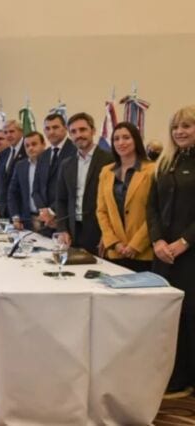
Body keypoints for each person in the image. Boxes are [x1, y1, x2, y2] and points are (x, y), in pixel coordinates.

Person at [147, 105, 195, 394]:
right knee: (169, 317)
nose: (179, 131)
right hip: (164, 254)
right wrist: (157, 241)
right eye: (175, 127)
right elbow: (151, 207)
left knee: (191, 316)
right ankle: (174, 376)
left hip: (190, 254)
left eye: (186, 126)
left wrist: (184, 242)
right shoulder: (165, 162)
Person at [95, 122, 153, 272]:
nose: (121, 142)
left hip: (143, 252)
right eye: (116, 139)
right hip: (116, 251)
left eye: (126, 137)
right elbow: (101, 211)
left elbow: (155, 213)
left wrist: (136, 244)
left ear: (136, 140)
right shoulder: (106, 172)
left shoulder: (152, 170)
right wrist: (113, 242)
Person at [54, 112, 114, 255]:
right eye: (73, 131)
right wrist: (62, 229)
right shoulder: (66, 164)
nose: (78, 135)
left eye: (82, 130)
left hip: (100, 232)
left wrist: (109, 235)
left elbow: (115, 202)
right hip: (73, 233)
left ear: (93, 131)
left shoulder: (109, 160)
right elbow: (61, 199)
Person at [35, 113, 77, 233]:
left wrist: (52, 211)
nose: (51, 132)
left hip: (65, 220)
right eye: (47, 128)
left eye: (55, 127)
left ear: (65, 128)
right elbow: (36, 188)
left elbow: (72, 188)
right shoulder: (43, 155)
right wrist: (43, 211)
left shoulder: (75, 151)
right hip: (45, 221)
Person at [8, 131, 46, 231]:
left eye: (34, 144)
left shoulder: (51, 164)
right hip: (26, 220)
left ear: (43, 144)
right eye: (27, 146)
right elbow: (12, 192)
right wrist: (15, 216)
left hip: (48, 221)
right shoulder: (20, 166)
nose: (30, 148)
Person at [0, 120, 27, 217]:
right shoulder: (4, 153)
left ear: (21, 132)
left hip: (21, 208)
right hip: (4, 208)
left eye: (12, 131)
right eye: (5, 132)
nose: (8, 135)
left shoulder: (27, 150)